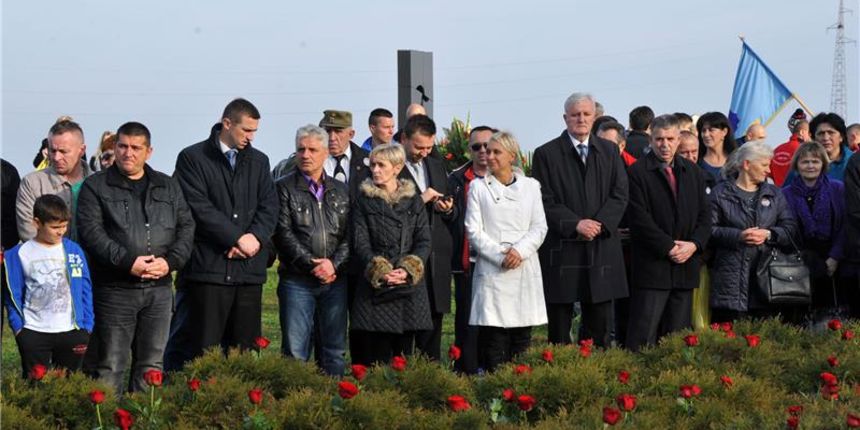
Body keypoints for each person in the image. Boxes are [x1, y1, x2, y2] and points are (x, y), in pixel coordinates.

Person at [77, 122, 195, 393]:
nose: (128, 153)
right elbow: (93, 233)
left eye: (135, 147)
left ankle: (143, 419)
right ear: (114, 147)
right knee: (111, 365)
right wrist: (128, 262)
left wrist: (170, 262)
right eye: (122, 146)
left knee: (152, 366)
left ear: (149, 151)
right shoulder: (95, 187)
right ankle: (106, 420)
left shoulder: (167, 186)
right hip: (116, 290)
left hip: (160, 290)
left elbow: (187, 227)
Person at [164, 98, 278, 371]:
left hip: (247, 272)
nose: (250, 137)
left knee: (243, 353)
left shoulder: (259, 161)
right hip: (208, 270)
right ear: (227, 123)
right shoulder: (193, 158)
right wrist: (236, 238)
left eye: (254, 132)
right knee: (203, 351)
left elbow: (269, 205)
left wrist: (255, 239)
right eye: (246, 130)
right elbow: (198, 207)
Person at [532, 92, 629, 348]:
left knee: (600, 326)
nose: (581, 119)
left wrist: (599, 224)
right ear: (565, 118)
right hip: (564, 249)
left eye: (586, 114)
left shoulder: (609, 151)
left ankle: (597, 377)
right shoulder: (546, 154)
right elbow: (544, 200)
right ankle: (561, 376)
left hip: (601, 246)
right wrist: (576, 224)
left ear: (594, 116)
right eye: (575, 114)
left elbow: (620, 193)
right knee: (560, 328)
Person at [624, 115, 711, 351]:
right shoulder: (637, 172)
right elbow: (639, 219)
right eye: (659, 139)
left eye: (670, 139)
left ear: (678, 139)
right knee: (643, 335)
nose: (665, 144)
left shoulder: (693, 172)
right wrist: (669, 247)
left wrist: (694, 245)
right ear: (651, 139)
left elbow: (705, 216)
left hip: (685, 267)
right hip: (653, 267)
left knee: (677, 338)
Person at [464, 131, 548, 371]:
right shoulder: (478, 188)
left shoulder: (531, 187)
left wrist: (519, 251)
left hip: (524, 267)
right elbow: (473, 229)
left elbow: (539, 226)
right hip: (493, 270)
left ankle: (521, 390)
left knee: (522, 338)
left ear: (512, 156)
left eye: (495, 152)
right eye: (487, 151)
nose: (488, 156)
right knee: (494, 339)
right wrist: (500, 256)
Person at [273, 125, 350, 376]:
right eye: (300, 149)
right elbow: (282, 233)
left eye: (312, 149)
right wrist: (312, 264)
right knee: (295, 352)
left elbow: (350, 235)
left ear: (325, 152)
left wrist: (333, 265)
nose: (305, 155)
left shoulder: (341, 190)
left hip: (335, 281)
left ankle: (334, 407)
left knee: (334, 351)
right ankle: (297, 405)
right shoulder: (282, 188)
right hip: (297, 280)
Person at [349, 144, 432, 365]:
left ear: (397, 168)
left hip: (408, 287)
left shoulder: (413, 200)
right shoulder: (363, 200)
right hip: (376, 288)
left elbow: (424, 240)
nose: (374, 170)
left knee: (404, 355)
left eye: (380, 165)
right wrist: (381, 270)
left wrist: (408, 269)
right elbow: (360, 242)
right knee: (376, 355)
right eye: (372, 164)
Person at [3, 195, 93, 378]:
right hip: (34, 332)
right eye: (54, 227)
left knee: (69, 387)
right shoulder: (17, 254)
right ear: (37, 222)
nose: (61, 232)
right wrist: (19, 329)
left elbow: (85, 288)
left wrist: (86, 326)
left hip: (72, 330)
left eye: (64, 226)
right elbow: (12, 295)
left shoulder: (73, 250)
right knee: (35, 386)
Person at [709, 141, 799, 322]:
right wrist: (738, 236)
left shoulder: (775, 194)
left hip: (767, 282)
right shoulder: (720, 193)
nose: (768, 170)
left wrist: (769, 234)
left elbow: (790, 229)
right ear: (746, 164)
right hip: (730, 283)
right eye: (764, 165)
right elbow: (708, 230)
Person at [398, 114, 455, 361]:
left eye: (429, 147)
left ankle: (429, 381)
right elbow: (387, 214)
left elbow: (453, 208)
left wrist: (448, 207)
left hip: (434, 263)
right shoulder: (388, 168)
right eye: (418, 147)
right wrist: (420, 201)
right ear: (403, 139)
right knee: (402, 336)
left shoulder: (436, 165)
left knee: (432, 332)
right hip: (405, 258)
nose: (424, 152)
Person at [447, 125, 496, 374]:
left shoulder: (510, 177)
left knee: (495, 320)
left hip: (498, 261)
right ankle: (466, 371)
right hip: (468, 261)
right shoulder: (456, 179)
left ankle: (494, 369)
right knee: (467, 320)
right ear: (470, 150)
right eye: (477, 146)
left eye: (487, 145)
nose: (483, 151)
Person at [781, 142, 849, 317]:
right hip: (798, 262)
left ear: (823, 164)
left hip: (834, 260)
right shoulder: (785, 193)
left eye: (815, 161)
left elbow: (844, 225)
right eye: (805, 162)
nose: (810, 166)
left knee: (831, 315)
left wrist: (834, 257)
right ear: (797, 165)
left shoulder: (837, 188)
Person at [16, 119, 91, 242]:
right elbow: (28, 231)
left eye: (63, 151)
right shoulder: (32, 183)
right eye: (52, 150)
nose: (56, 157)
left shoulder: (99, 183)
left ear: (81, 150)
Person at [696, 112, 737, 187]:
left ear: (724, 132)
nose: (706, 135)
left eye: (711, 130)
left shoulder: (736, 162)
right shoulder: (697, 163)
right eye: (703, 130)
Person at [771, 119, 810, 187]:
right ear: (802, 132)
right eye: (809, 133)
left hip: (777, 193)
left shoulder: (776, 150)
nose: (811, 137)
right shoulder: (804, 151)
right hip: (795, 192)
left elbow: (769, 173)